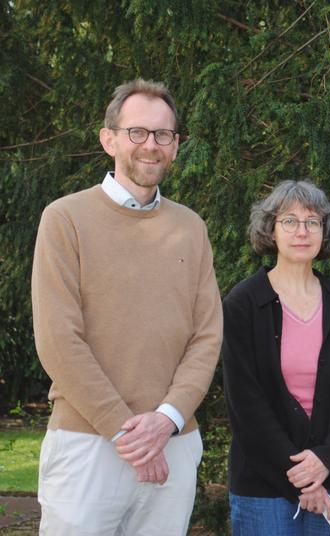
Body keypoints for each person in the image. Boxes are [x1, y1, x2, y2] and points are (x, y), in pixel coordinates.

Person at [31, 79, 223, 535]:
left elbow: (207, 335)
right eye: (137, 132)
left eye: (163, 135)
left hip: (174, 443)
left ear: (175, 146)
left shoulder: (191, 227)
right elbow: (59, 340)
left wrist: (167, 420)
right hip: (87, 443)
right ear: (109, 139)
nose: (150, 146)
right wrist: (127, 431)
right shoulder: (65, 219)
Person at [222, 180, 330, 535]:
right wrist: (303, 480)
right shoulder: (243, 303)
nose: (301, 231)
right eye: (289, 221)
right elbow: (245, 402)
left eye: (312, 222)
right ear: (271, 230)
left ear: (325, 231)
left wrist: (326, 460)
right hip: (263, 486)